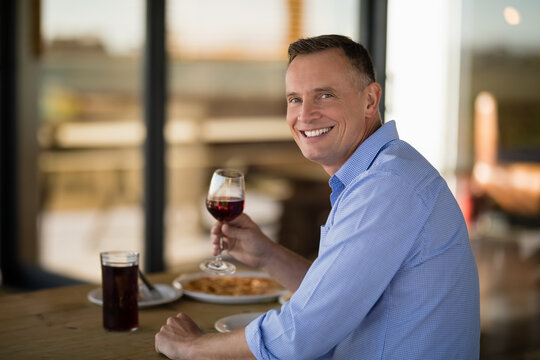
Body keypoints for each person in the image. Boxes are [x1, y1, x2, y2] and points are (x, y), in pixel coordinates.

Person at [155, 34, 480, 359]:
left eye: (325, 95)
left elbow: (303, 333)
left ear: (370, 100)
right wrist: (267, 255)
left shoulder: (386, 186)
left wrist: (192, 348)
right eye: (294, 99)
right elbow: (335, 296)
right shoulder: (384, 172)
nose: (305, 114)